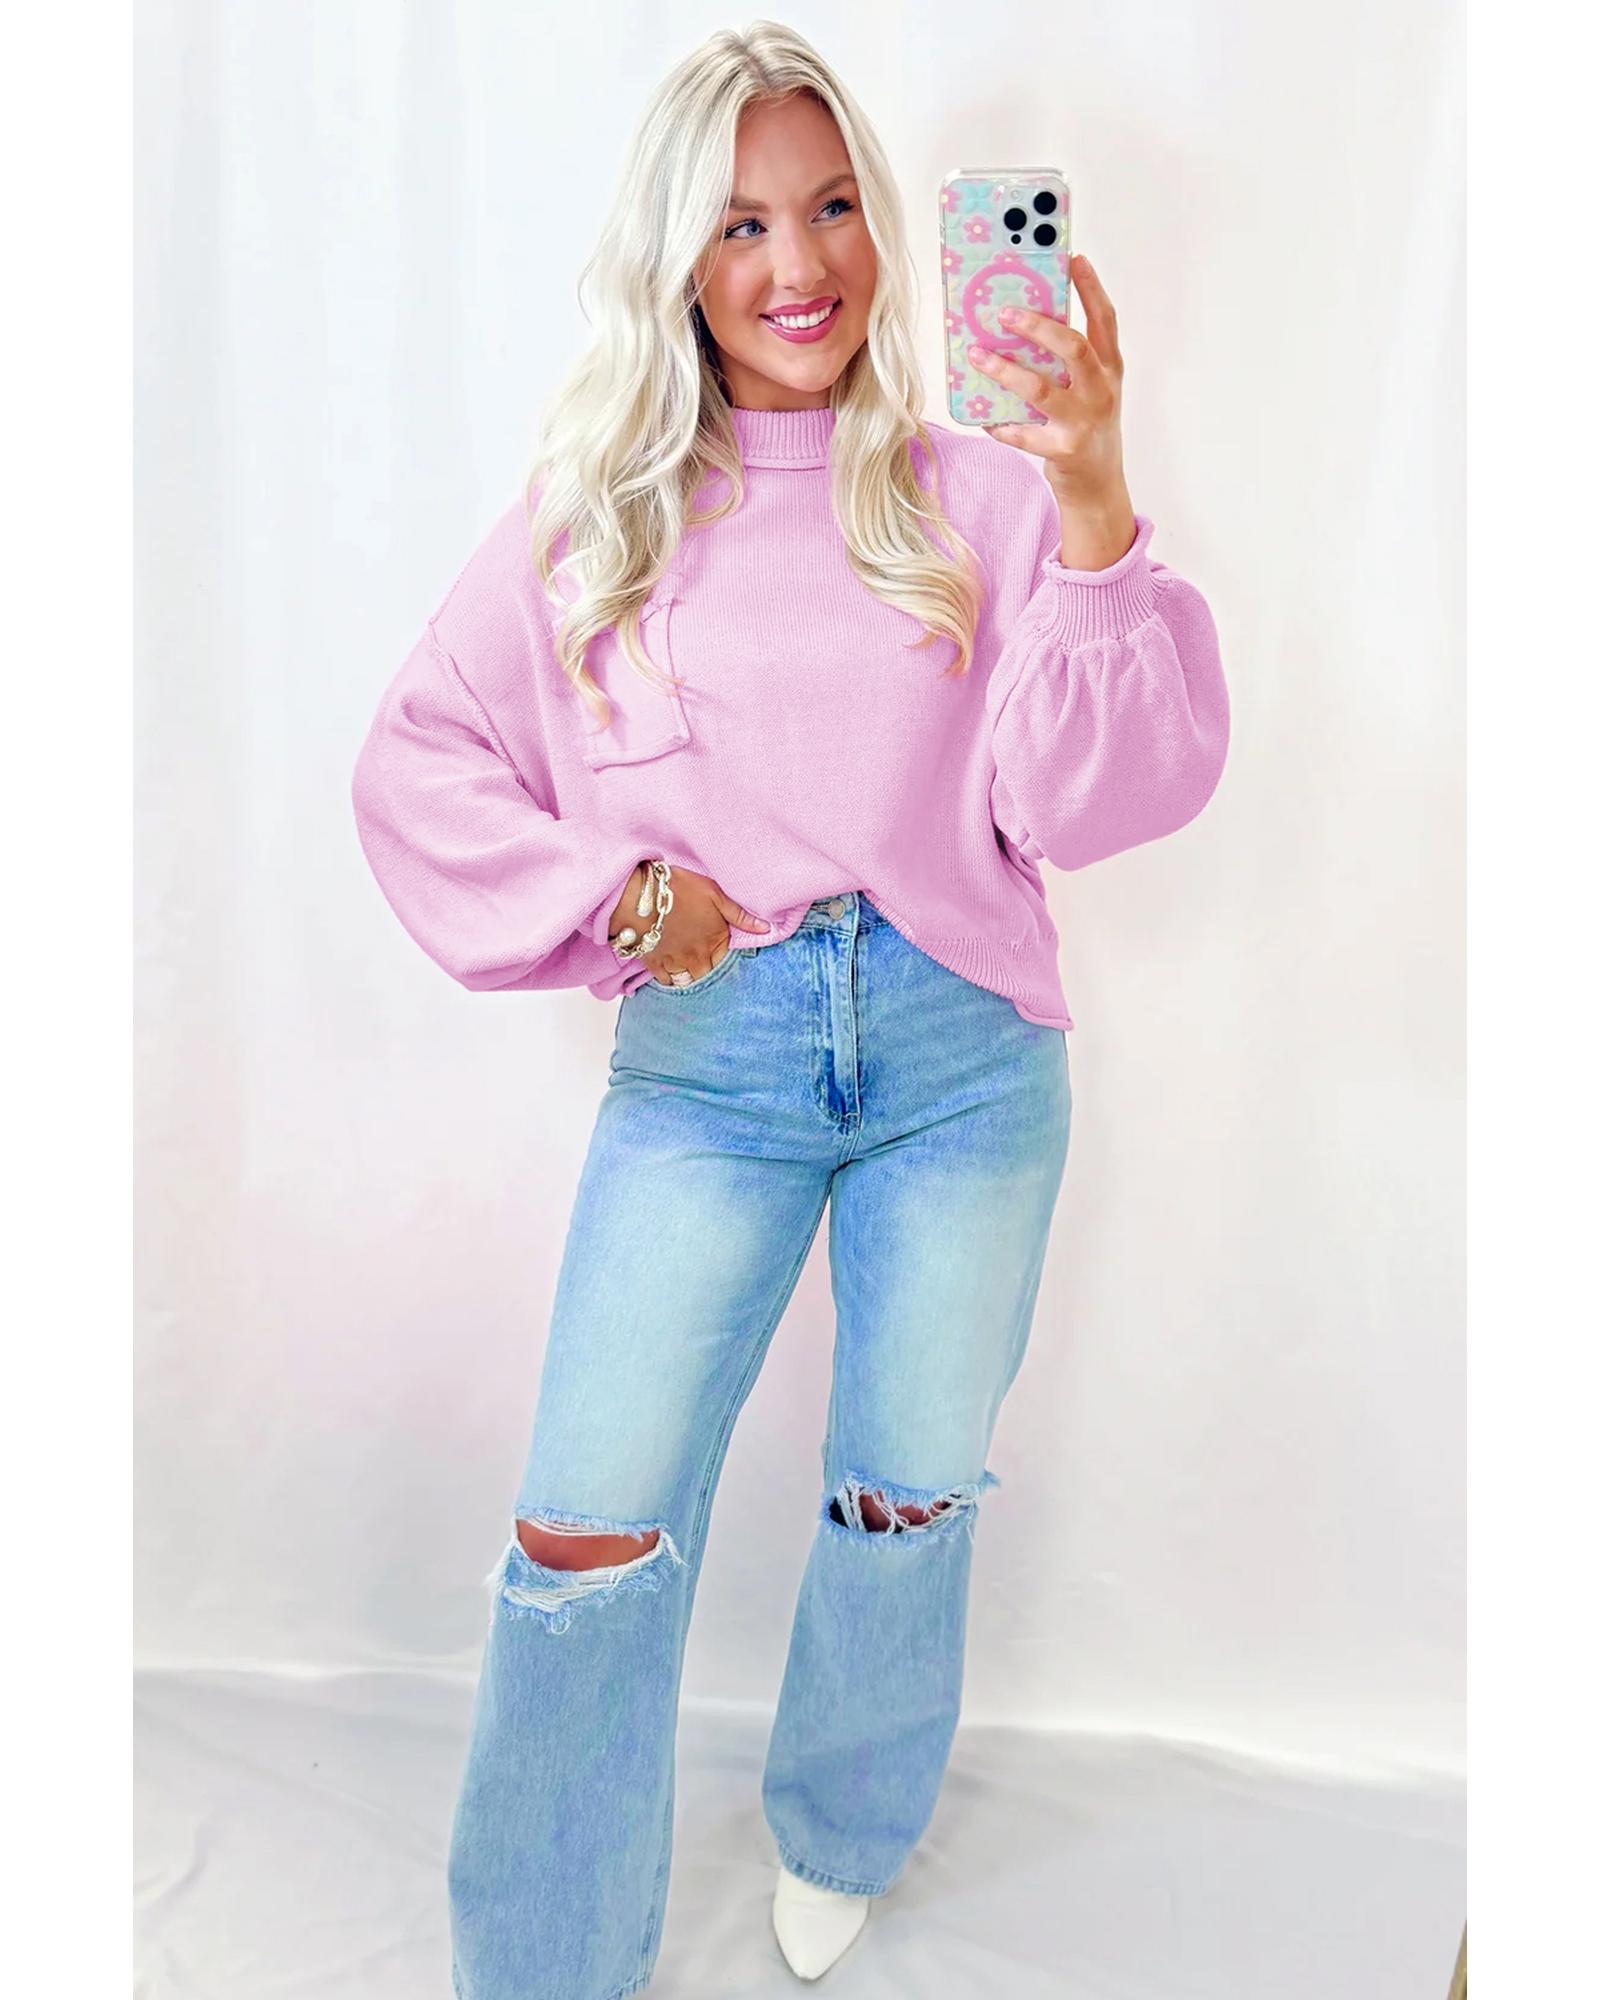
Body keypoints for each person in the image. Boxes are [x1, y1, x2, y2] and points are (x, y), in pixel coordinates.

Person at [350, 22, 1229, 2000]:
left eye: (832, 205)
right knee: (584, 1535)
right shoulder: (598, 517)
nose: (799, 260)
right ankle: (546, 1963)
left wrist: (1092, 491)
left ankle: (844, 1823)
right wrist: (616, 900)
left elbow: (1096, 801)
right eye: (742, 222)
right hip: (711, 1069)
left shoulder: (977, 493)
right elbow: (416, 763)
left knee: (906, 1491)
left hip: (961, 1057)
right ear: (678, 256)